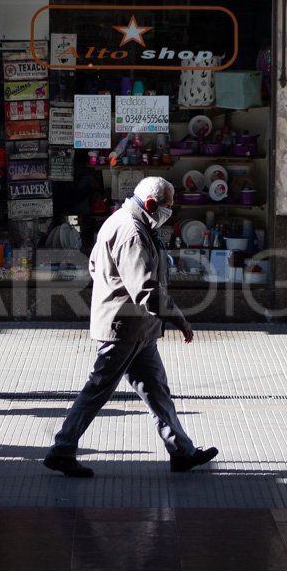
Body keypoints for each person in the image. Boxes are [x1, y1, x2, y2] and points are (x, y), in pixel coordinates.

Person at [43, 177, 218, 478]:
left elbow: (96, 267)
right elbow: (146, 289)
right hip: (123, 327)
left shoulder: (127, 221)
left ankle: (182, 452)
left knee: (157, 390)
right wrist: (179, 318)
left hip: (138, 328)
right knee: (98, 389)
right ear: (151, 204)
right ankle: (62, 449)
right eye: (168, 206)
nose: (170, 212)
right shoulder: (131, 232)